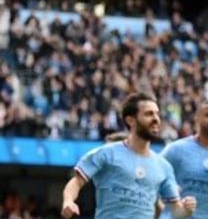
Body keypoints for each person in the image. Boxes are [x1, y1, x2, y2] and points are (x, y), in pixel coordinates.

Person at [60, 92, 197, 218]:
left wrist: (186, 209)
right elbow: (76, 181)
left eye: (157, 114)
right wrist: (68, 201)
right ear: (131, 120)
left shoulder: (164, 167)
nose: (156, 119)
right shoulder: (107, 153)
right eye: (149, 114)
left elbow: (176, 210)